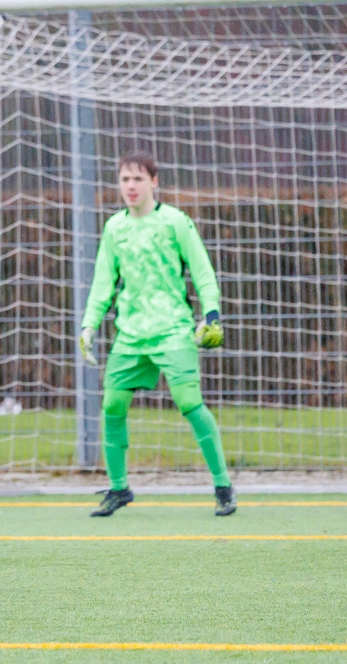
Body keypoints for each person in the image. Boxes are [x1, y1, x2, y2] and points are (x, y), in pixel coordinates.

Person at [79, 151, 235, 517]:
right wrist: (89, 324)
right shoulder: (114, 228)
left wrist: (211, 313)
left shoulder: (175, 222)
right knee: (112, 406)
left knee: (189, 403)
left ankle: (223, 485)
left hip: (173, 331)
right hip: (131, 334)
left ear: (154, 182)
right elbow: (103, 282)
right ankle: (119, 489)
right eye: (124, 179)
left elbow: (203, 271)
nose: (130, 186)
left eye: (137, 178)